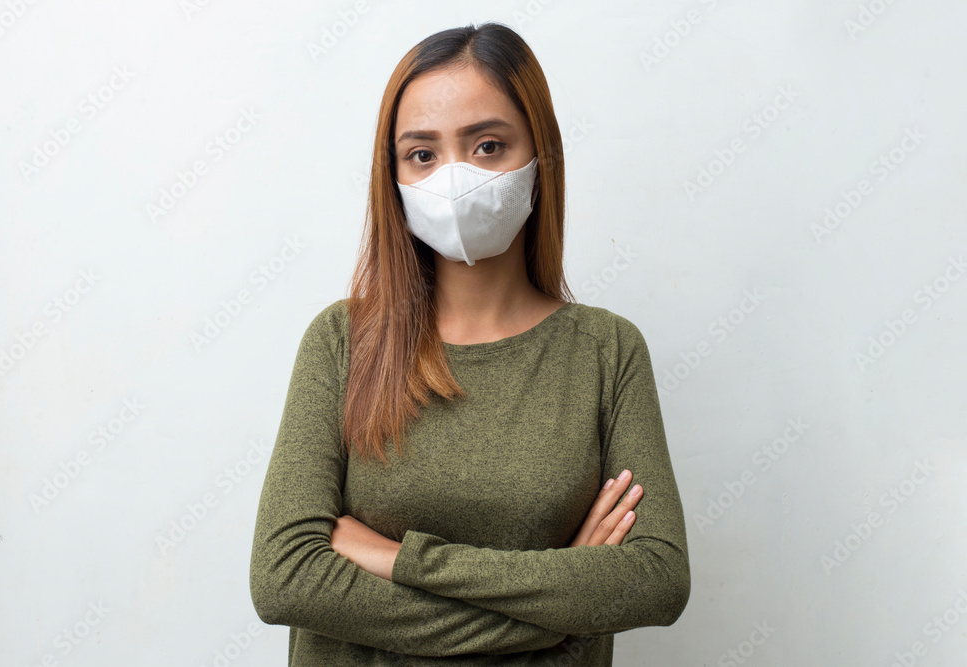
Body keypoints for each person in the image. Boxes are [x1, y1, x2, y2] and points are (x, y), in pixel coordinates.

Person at [249, 21, 690, 666]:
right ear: (392, 174)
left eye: (487, 146)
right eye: (422, 154)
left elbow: (656, 578)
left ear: (541, 154)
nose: (455, 178)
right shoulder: (342, 341)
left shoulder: (606, 351)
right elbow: (284, 576)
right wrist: (557, 607)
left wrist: (397, 558)